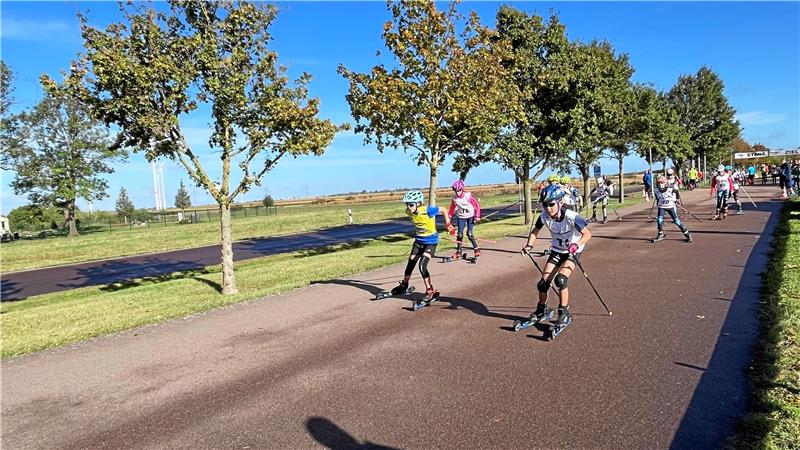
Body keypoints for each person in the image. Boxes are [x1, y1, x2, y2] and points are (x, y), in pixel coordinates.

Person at [521, 184, 592, 337]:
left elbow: (587, 234)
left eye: (551, 204)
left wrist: (576, 244)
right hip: (556, 251)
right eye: (545, 204)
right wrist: (529, 245)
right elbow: (535, 230)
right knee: (543, 284)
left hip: (572, 252)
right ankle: (542, 310)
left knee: (561, 280)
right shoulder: (544, 216)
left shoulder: (571, 216)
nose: (548, 208)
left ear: (560, 202)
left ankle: (564, 313)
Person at [389, 190, 453, 303]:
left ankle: (430, 290)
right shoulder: (408, 211)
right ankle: (404, 285)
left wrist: (448, 224)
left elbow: (443, 209)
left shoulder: (427, 210)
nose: (409, 207)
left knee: (422, 265)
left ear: (419, 203)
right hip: (418, 241)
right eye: (407, 204)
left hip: (431, 242)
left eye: (411, 204)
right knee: (411, 262)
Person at [448, 179, 481, 261]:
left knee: (469, 234)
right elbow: (452, 208)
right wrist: (449, 216)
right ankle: (459, 252)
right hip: (461, 217)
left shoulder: (468, 196)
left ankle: (477, 249)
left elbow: (477, 205)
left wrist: (477, 216)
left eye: (459, 191)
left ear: (462, 189)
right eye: (456, 191)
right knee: (459, 234)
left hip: (470, 216)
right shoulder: (455, 199)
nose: (457, 193)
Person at [653, 175, 692, 243]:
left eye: (662, 183)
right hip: (662, 207)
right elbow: (657, 198)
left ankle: (687, 234)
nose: (661, 185)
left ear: (665, 183)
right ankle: (660, 234)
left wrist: (676, 199)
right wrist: (658, 204)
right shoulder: (656, 191)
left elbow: (676, 192)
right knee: (659, 219)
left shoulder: (670, 189)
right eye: (659, 183)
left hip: (670, 206)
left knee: (676, 221)